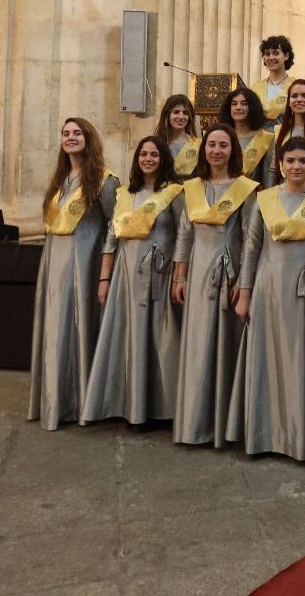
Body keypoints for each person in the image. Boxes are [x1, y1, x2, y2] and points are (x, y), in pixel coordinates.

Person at [229, 137, 305, 460]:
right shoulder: (264, 199)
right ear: (281, 164)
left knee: (304, 361)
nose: (297, 167)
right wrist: (244, 294)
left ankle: (304, 437)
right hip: (268, 290)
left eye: (303, 161)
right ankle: (266, 435)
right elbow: (251, 248)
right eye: (291, 161)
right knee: (268, 361)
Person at [82, 136, 184, 425]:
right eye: (144, 154)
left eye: (154, 154)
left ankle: (161, 408)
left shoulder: (175, 193)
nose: (148, 158)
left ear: (163, 159)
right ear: (137, 159)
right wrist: (104, 279)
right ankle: (123, 402)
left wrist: (179, 275)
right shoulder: (125, 194)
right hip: (125, 274)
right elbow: (111, 240)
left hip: (160, 274)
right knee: (125, 333)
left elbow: (183, 238)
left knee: (159, 336)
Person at [171, 124, 259, 448]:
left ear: (232, 150)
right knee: (197, 344)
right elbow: (184, 234)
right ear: (203, 150)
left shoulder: (246, 189)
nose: (216, 151)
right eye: (211, 145)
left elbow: (251, 240)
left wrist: (244, 281)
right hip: (197, 273)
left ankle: (225, 425)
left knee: (225, 344)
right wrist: (179, 275)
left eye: (223, 145)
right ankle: (195, 423)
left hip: (230, 274)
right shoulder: (192, 187)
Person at [29, 118, 120, 430]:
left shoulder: (105, 181)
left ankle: (82, 401)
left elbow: (114, 226)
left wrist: (105, 273)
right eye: (66, 134)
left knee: (79, 327)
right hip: (54, 262)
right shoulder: (60, 180)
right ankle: (54, 401)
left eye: (76, 133)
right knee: (55, 330)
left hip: (86, 264)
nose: (70, 138)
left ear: (88, 138)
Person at [218, 87, 275, 185]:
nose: (238, 107)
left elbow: (269, 177)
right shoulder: (220, 137)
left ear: (252, 107)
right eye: (234, 104)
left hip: (253, 196)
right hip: (222, 195)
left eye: (244, 104)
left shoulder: (265, 138)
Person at [251, 35, 296, 124]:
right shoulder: (255, 88)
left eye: (276, 53)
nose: (271, 58)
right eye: (267, 54)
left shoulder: (295, 86)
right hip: (259, 136)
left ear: (286, 56)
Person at [156, 93, 201, 180]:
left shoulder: (198, 144)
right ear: (167, 115)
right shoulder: (157, 144)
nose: (181, 117)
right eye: (176, 112)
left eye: (185, 113)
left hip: (189, 191)